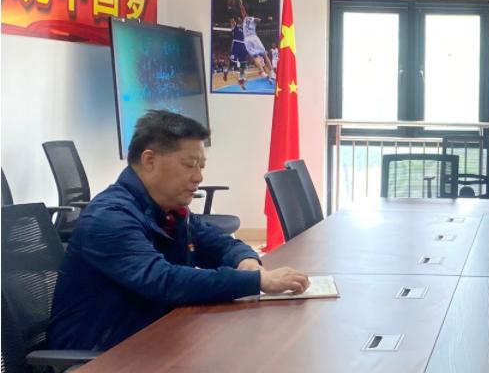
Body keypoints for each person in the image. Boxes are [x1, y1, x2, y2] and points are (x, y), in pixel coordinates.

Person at [49, 110, 310, 351]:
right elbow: (164, 280)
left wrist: (248, 263)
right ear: (149, 160)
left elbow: (219, 243)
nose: (198, 177)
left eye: (201, 166)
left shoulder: (168, 209)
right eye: (189, 165)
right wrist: (257, 282)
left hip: (152, 339)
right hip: (96, 360)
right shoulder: (109, 217)